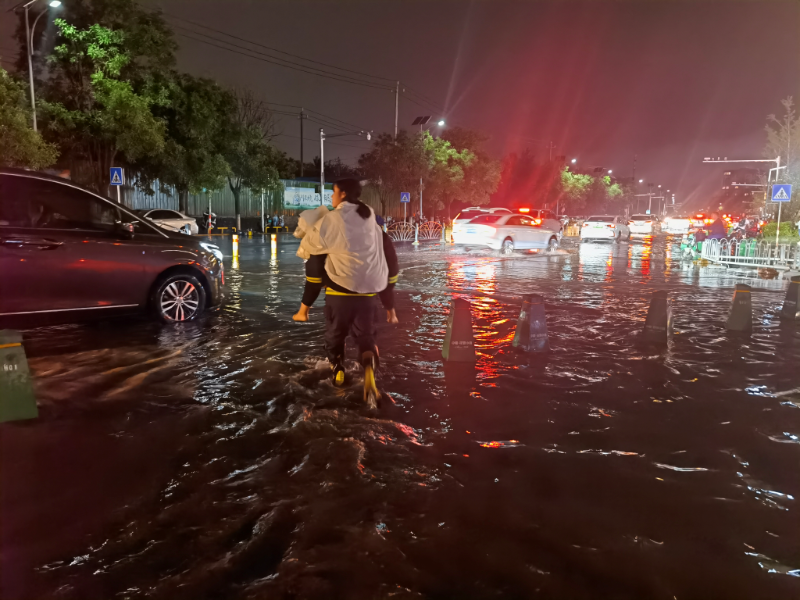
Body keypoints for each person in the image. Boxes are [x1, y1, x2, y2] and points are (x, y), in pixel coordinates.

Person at [292, 179, 399, 403]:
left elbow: (312, 262)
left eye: (333, 193)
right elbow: (390, 262)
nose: (331, 197)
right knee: (367, 339)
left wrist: (304, 308)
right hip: (369, 298)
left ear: (342, 194)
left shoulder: (330, 220)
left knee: (335, 337)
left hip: (339, 296)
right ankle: (369, 370)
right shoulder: (372, 221)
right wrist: (390, 307)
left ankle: (338, 371)